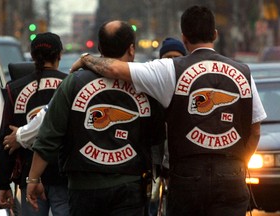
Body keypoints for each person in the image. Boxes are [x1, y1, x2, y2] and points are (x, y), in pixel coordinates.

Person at [70, 5, 267, 216]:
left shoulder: (169, 69)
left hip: (187, 177)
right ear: (215, 34)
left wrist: (86, 58)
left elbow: (114, 68)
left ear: (184, 38)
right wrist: (238, 162)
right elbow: (255, 131)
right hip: (232, 174)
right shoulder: (243, 72)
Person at [26, 20, 165, 216]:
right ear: (132, 49)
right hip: (130, 187)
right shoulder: (145, 86)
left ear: (99, 48)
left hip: (84, 190)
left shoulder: (73, 83)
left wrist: (33, 179)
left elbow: (49, 135)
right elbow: (157, 137)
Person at [0, 32, 69, 216]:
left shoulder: (15, 89)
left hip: (29, 175)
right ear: (59, 55)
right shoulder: (71, 85)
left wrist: (4, 183)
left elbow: (5, 138)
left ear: (32, 56)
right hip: (65, 175)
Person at [150, 37, 187, 216]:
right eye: (167, 57)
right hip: (159, 168)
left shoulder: (191, 92)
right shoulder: (152, 91)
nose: (171, 61)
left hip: (185, 170)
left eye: (176, 57)